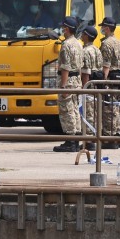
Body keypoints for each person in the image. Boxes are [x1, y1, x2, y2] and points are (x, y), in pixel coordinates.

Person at [53, 16, 84, 152]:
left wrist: (63, 86)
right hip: (77, 80)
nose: (61, 30)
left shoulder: (66, 45)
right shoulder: (78, 43)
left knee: (67, 110)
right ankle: (76, 138)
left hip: (68, 80)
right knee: (75, 109)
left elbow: (65, 67)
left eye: (63, 27)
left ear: (67, 29)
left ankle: (70, 139)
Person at [98, 17, 120, 147]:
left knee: (108, 108)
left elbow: (106, 64)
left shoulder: (107, 43)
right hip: (117, 76)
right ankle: (116, 133)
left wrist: (103, 81)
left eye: (103, 26)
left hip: (110, 77)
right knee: (115, 107)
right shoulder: (117, 42)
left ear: (107, 28)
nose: (101, 29)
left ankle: (109, 137)